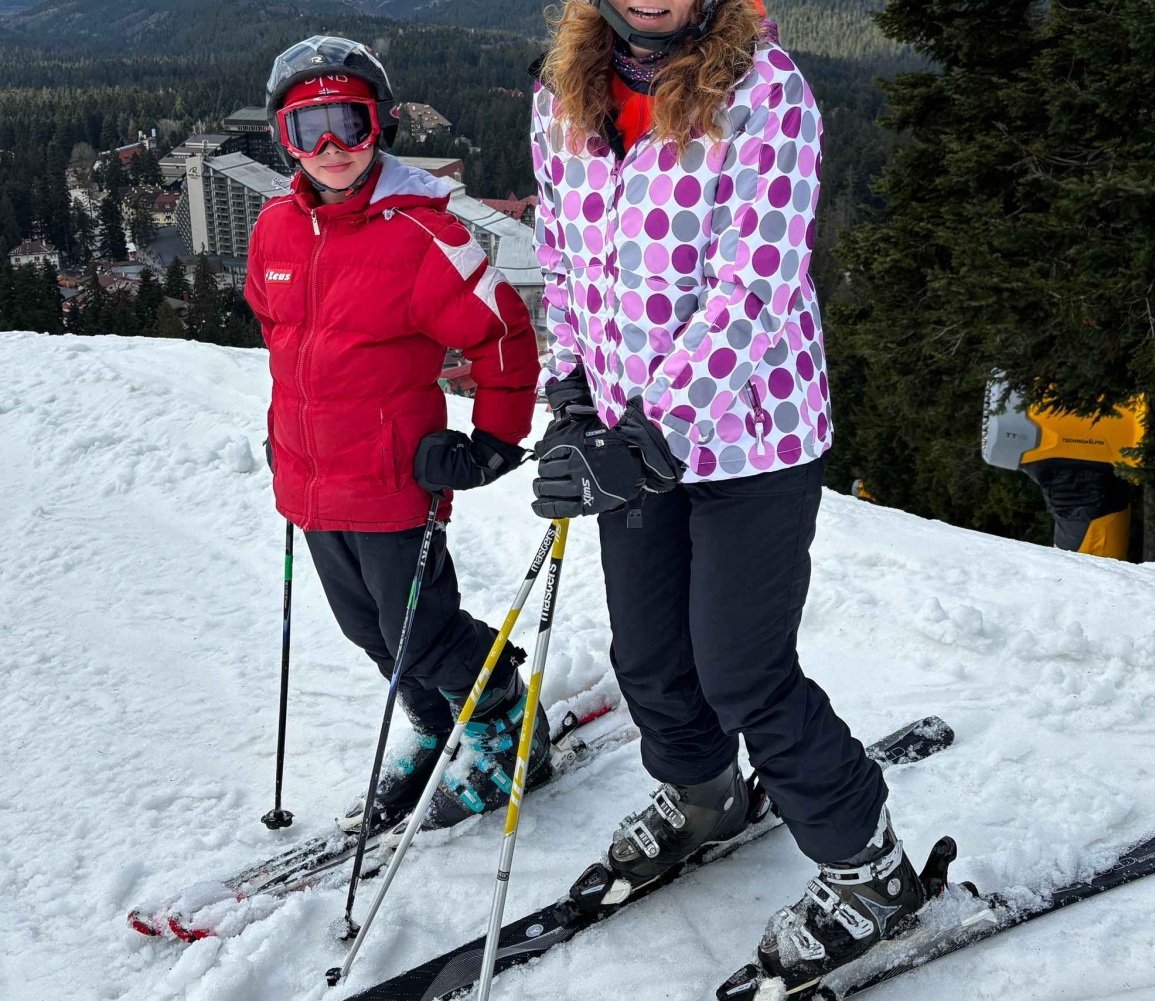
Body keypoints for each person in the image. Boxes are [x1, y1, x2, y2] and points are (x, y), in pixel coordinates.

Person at [526, 0, 923, 986]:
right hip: (628, 438)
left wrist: (652, 432)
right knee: (650, 655)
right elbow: (563, 263)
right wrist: (570, 394)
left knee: (742, 668)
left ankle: (868, 865)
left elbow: (758, 284)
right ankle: (704, 795)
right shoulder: (562, 94)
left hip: (751, 436)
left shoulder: (766, 92)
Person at [244, 36, 548, 836]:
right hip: (312, 482)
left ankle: (507, 722)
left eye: (350, 122)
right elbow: (285, 340)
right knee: (368, 630)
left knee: (423, 632)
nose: (331, 147)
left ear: (380, 124)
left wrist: (492, 443)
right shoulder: (273, 229)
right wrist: (287, 435)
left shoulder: (421, 233)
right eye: (307, 129)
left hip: (394, 481)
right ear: (283, 138)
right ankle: (437, 722)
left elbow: (505, 336)